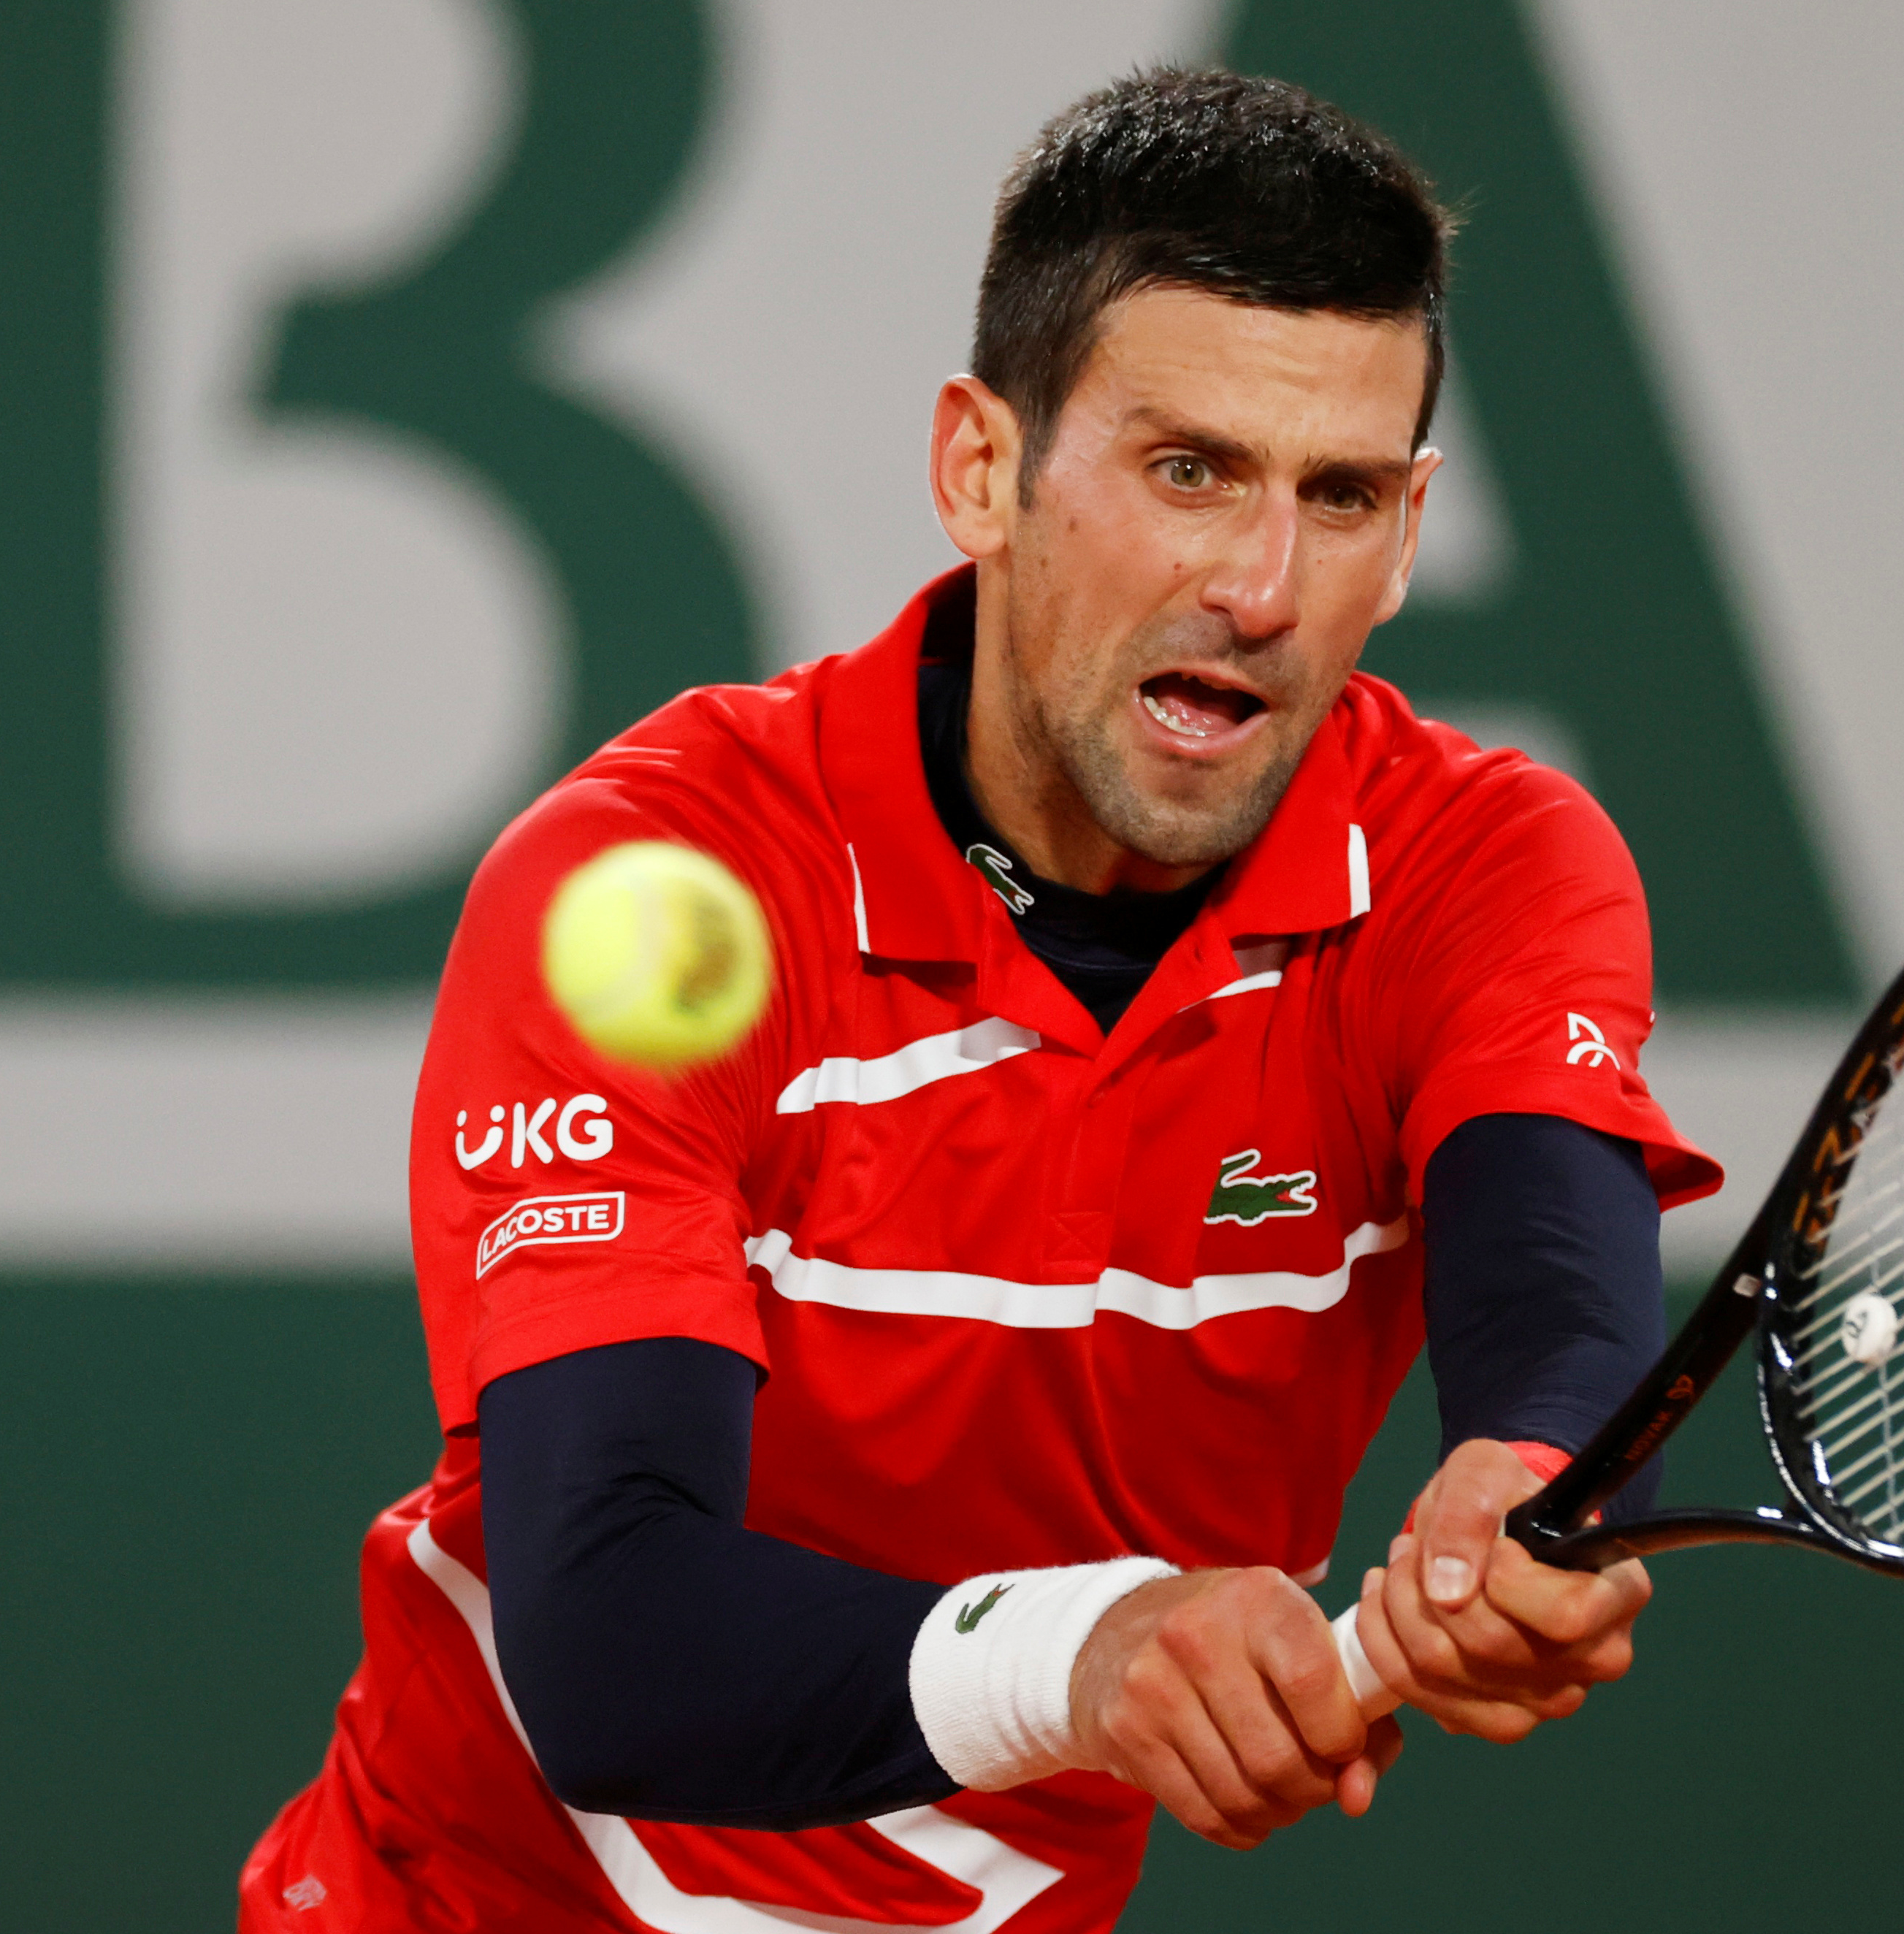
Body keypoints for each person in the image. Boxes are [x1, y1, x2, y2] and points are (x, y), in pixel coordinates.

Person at [242, 66, 1718, 1933]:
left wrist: (1534, 1485)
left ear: (1410, 533)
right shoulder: (664, 881)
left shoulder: (1481, 869)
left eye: (1339, 496)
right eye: (1189, 471)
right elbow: (609, 1635)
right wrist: (1094, 1654)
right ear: (981, 471)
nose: (1262, 586)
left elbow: (1558, 1302)